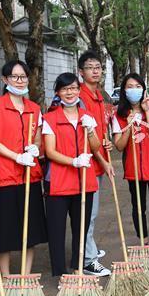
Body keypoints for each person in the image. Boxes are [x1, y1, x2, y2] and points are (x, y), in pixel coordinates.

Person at [43, 73, 111, 276]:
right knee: (56, 230)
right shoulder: (50, 119)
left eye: (73, 88)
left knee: (80, 228)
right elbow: (50, 151)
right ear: (58, 93)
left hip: (84, 182)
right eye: (65, 89)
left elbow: (96, 147)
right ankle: (60, 273)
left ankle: (78, 269)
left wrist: (90, 131)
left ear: (78, 90)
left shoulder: (86, 116)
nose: (69, 92)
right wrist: (73, 161)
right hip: (58, 182)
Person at [0, 60, 47, 276]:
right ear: (5, 79)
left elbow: (38, 139)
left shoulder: (34, 109)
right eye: (15, 77)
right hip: (6, 176)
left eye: (23, 77)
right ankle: (6, 276)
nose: (20, 81)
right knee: (5, 230)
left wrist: (34, 149)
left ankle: (25, 274)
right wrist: (16, 157)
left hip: (30, 175)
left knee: (30, 229)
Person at [112, 73, 149, 258]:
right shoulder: (119, 115)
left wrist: (146, 111)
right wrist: (128, 126)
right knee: (138, 208)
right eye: (129, 86)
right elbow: (119, 146)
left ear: (143, 88)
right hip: (134, 170)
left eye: (137, 86)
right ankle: (144, 244)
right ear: (124, 90)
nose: (134, 89)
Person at [77, 51, 113, 276]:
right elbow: (85, 137)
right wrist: (102, 159)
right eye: (90, 67)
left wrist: (105, 143)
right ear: (81, 72)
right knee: (88, 212)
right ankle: (88, 260)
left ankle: (88, 249)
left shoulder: (99, 95)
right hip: (87, 162)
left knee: (92, 211)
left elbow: (99, 131)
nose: (95, 71)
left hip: (98, 161)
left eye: (98, 67)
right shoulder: (79, 96)